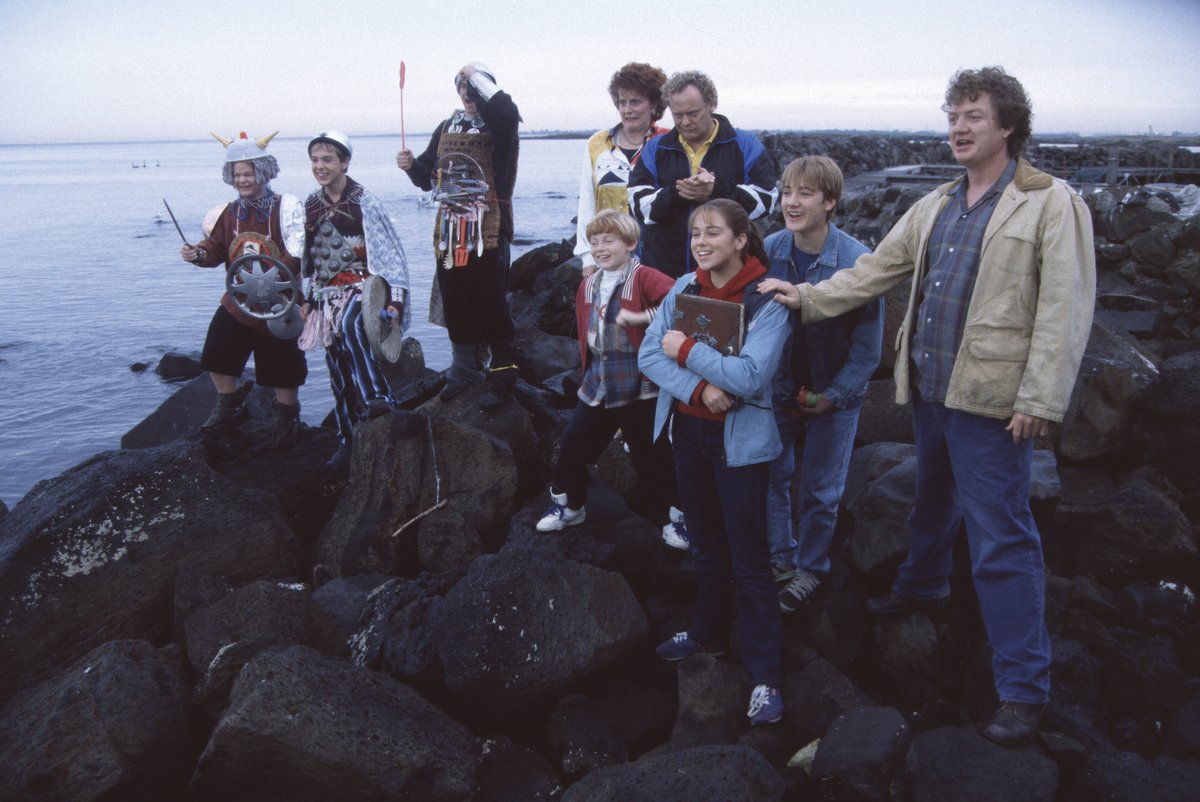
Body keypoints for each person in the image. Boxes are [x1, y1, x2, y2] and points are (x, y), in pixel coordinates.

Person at [759, 67, 1096, 746]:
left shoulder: (1050, 203)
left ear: (1009, 125)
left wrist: (1039, 398)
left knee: (1002, 540)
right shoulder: (938, 201)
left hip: (992, 401)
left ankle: (1023, 688)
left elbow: (1066, 307)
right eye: (953, 116)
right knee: (932, 499)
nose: (958, 128)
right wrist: (809, 297)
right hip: (932, 388)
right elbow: (877, 269)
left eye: (974, 116)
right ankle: (922, 585)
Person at [640, 198, 791, 726]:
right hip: (688, 432)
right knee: (704, 543)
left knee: (750, 558)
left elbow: (749, 376)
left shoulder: (767, 299)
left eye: (713, 232)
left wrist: (686, 351)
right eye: (695, 233)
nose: (701, 242)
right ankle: (708, 633)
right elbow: (649, 354)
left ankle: (767, 676)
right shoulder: (685, 286)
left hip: (740, 444)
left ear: (741, 239)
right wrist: (701, 388)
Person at [765, 156, 883, 612]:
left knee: (820, 489)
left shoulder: (856, 261)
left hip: (836, 392)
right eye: (786, 192)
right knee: (772, 476)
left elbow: (868, 349)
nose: (791, 202)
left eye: (805, 193)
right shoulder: (770, 249)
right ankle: (779, 557)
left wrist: (834, 397)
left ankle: (811, 568)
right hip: (778, 388)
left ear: (830, 201)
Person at [535, 210, 688, 548]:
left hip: (640, 384)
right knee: (574, 444)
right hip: (598, 381)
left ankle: (675, 519)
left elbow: (681, 306)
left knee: (652, 456)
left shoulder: (645, 277)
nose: (600, 248)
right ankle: (569, 505)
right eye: (594, 242)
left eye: (609, 240)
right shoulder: (588, 283)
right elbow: (584, 331)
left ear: (631, 243)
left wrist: (642, 317)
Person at [396, 62, 521, 410]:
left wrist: (475, 74)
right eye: (463, 86)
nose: (468, 93)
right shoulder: (445, 127)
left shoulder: (501, 124)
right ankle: (465, 368)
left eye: (476, 87)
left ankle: (504, 372)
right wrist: (411, 167)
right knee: (456, 297)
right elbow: (427, 178)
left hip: (490, 228)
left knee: (491, 301)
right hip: (450, 230)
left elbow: (507, 109)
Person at [180, 131, 306, 445]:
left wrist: (269, 283)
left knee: (283, 367)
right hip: (238, 301)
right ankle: (230, 405)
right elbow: (215, 248)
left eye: (248, 174)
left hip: (279, 303)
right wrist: (198, 254)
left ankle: (287, 417)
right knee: (216, 353)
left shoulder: (286, 208)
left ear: (262, 172)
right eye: (237, 175)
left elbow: (297, 253)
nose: (242, 180)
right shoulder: (228, 213)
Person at [300, 130, 411, 470]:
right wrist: (308, 299)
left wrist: (395, 301)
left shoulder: (365, 201)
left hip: (364, 286)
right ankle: (348, 437)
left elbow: (389, 254)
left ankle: (378, 397)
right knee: (336, 362)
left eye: (327, 159)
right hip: (326, 293)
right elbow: (312, 258)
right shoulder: (311, 205)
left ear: (345, 162)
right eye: (315, 160)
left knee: (352, 324)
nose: (320, 166)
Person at [627, 70, 777, 278]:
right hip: (664, 274)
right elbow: (637, 205)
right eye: (678, 115)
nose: (685, 122)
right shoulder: (655, 148)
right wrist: (677, 193)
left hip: (729, 276)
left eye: (693, 113)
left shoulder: (745, 144)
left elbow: (767, 199)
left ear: (712, 104)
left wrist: (715, 190)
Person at [574, 62, 669, 274]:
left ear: (654, 103)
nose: (627, 110)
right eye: (622, 102)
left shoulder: (668, 142)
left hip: (657, 258)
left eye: (635, 102)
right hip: (608, 259)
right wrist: (587, 258)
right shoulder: (596, 143)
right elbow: (587, 204)